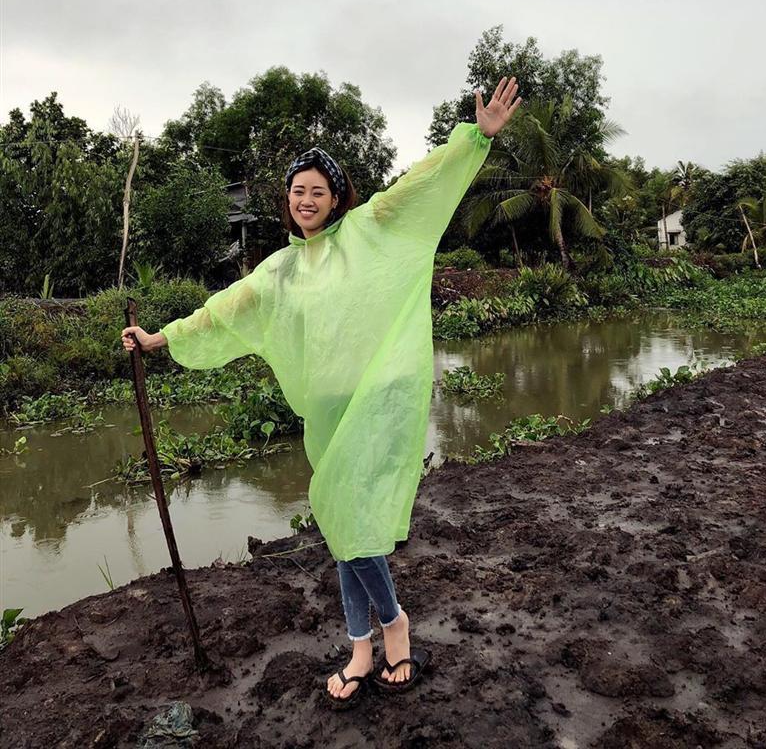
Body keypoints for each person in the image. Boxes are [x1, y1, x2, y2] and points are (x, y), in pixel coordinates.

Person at [122, 77, 522, 707]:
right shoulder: (281, 269)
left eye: (318, 191)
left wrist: (475, 138)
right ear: (288, 201)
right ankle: (361, 645)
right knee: (340, 522)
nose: (306, 200)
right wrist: (159, 339)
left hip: (378, 401)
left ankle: (392, 630)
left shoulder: (368, 231)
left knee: (350, 522)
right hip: (329, 411)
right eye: (297, 191)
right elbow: (225, 312)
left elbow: (421, 185)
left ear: (337, 199)